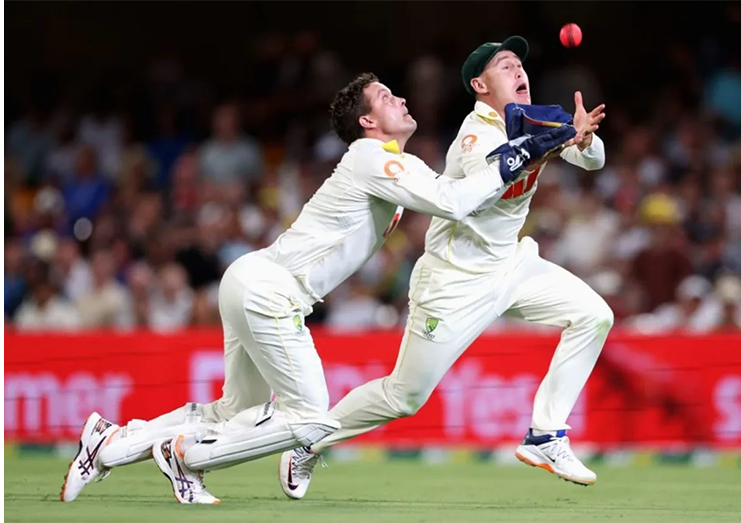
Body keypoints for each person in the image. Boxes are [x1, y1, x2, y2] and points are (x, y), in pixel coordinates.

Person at [60, 71, 573, 504]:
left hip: (251, 278)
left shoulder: (395, 164)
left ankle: (110, 443)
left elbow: (454, 193)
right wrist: (522, 149)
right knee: (309, 421)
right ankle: (186, 454)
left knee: (234, 410)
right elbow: (455, 201)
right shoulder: (371, 156)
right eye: (387, 98)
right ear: (368, 122)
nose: (401, 99)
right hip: (270, 290)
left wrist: (525, 153)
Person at [278, 35, 612, 500]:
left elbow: (592, 161)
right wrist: (551, 140)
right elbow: (495, 174)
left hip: (510, 265)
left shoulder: (535, 118)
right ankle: (308, 440)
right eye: (505, 66)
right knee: (403, 397)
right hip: (454, 281)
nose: (519, 72)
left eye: (520, 64)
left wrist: (584, 138)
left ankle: (545, 434)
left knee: (594, 314)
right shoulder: (475, 137)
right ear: (479, 84)